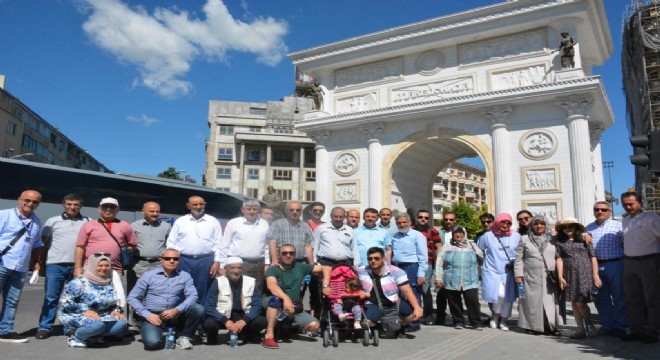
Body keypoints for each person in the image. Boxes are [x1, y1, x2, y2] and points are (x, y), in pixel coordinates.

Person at [36, 194, 90, 340]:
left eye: (76, 204)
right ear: (63, 205)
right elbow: (43, 243)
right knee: (51, 298)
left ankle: (71, 326)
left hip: (78, 267)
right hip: (55, 265)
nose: (72, 207)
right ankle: (45, 327)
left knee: (75, 299)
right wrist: (38, 263)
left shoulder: (88, 222)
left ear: (81, 206)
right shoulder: (53, 221)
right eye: (69, 204)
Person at [127, 249, 204, 350]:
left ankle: (182, 336)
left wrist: (177, 310)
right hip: (154, 315)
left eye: (175, 259)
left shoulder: (185, 276)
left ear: (179, 261)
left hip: (175, 314)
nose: (172, 261)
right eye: (167, 258)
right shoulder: (148, 276)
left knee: (198, 309)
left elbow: (193, 296)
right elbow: (132, 297)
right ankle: (153, 330)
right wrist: (147, 314)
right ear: (161, 260)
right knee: (151, 343)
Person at [0, 190, 43, 343]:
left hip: (21, 268)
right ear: (19, 199)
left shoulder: (37, 221)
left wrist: (36, 263)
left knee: (12, 301)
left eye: (35, 202)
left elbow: (37, 244)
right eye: (27, 200)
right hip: (2, 263)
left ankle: (5, 331)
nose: (30, 204)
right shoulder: (4, 215)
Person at [58, 254, 128, 348]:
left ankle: (94, 335)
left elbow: (111, 301)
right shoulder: (80, 282)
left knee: (121, 324)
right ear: (93, 265)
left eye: (107, 265)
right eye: (100, 265)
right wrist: (85, 310)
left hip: (100, 315)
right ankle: (76, 337)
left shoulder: (108, 281)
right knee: (98, 325)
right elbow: (65, 302)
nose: (103, 268)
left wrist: (114, 310)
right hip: (76, 314)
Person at [261, 244, 324, 349]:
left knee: (314, 325)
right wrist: (286, 298)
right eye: (284, 253)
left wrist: (325, 283)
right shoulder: (273, 269)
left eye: (291, 253)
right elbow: (272, 286)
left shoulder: (301, 267)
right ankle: (269, 335)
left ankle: (288, 326)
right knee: (275, 300)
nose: (288, 255)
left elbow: (326, 268)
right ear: (279, 255)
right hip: (275, 304)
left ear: (295, 255)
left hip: (294, 306)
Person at [620, 191, 660, 344]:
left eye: (631, 203)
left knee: (652, 299)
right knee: (632, 299)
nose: (628, 207)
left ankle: (652, 331)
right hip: (629, 263)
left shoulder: (652, 219)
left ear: (640, 203)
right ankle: (637, 330)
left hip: (649, 262)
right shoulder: (625, 220)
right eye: (625, 204)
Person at [167, 196, 223, 303]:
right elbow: (171, 242)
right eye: (195, 204)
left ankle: (202, 315)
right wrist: (173, 260)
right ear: (188, 206)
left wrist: (217, 262)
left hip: (206, 261)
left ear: (205, 205)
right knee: (183, 287)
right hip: (184, 260)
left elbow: (219, 243)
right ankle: (185, 314)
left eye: (201, 204)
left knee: (204, 288)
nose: (198, 207)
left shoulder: (213, 221)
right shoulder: (181, 221)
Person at [584, 201, 628, 338]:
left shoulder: (618, 226)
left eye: (603, 209)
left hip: (615, 264)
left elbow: (626, 245)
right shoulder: (588, 228)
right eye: (597, 209)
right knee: (600, 297)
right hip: (595, 266)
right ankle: (607, 325)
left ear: (609, 211)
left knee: (619, 297)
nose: (600, 212)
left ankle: (620, 325)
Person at [357, 247, 423, 336]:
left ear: (383, 259)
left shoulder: (396, 271)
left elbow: (408, 291)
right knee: (366, 322)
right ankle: (379, 326)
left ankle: (398, 326)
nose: (373, 261)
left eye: (376, 258)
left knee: (414, 315)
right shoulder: (361, 271)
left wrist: (417, 308)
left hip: (394, 302)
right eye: (370, 259)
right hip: (372, 303)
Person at [514, 215, 562, 336]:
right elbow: (519, 258)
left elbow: (570, 238)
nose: (539, 226)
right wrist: (518, 275)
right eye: (536, 224)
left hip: (549, 276)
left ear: (546, 225)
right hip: (530, 276)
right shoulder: (525, 239)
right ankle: (532, 326)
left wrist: (585, 235)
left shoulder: (553, 239)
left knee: (550, 302)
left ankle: (552, 326)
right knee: (531, 302)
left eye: (542, 224)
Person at [203, 257, 266, 345]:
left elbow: (257, 305)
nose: (236, 271)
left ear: (242, 269)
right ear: (226, 269)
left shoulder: (251, 281)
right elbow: (209, 306)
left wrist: (244, 320)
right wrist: (225, 320)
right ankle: (213, 336)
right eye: (232, 268)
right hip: (224, 316)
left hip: (243, 315)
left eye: (239, 268)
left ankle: (249, 335)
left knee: (261, 321)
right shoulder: (218, 282)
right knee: (209, 324)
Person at [555, 217, 601, 339]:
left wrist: (595, 275)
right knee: (574, 302)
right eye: (565, 227)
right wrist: (560, 276)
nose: (568, 229)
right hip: (569, 273)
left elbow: (593, 257)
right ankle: (580, 329)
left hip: (584, 272)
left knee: (581, 301)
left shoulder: (584, 239)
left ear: (576, 227)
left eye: (570, 226)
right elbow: (559, 258)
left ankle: (589, 325)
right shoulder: (560, 242)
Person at [128, 201, 171, 328]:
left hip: (158, 264)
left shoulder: (166, 226)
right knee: (136, 293)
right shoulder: (134, 226)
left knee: (156, 293)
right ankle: (133, 322)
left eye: (157, 211)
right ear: (143, 212)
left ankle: (154, 320)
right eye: (152, 211)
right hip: (139, 263)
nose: (155, 214)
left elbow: (170, 245)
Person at [477, 213, 520, 331]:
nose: (505, 225)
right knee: (498, 295)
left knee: (508, 296)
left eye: (508, 223)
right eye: (503, 222)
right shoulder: (487, 236)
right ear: (497, 222)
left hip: (509, 271)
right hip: (492, 269)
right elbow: (479, 249)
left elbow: (520, 252)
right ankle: (495, 316)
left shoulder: (516, 236)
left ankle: (504, 320)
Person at [74, 197, 138, 276]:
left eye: (112, 207)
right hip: (91, 268)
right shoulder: (88, 225)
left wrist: (122, 251)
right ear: (99, 209)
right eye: (105, 207)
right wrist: (78, 268)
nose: (108, 209)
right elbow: (80, 247)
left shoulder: (125, 225)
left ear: (118, 209)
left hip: (115, 269)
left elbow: (133, 245)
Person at [435, 227, 483, 330]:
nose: (458, 235)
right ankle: (458, 321)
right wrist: (438, 278)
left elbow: (481, 257)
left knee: (472, 301)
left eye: (461, 233)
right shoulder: (447, 246)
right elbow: (439, 262)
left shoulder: (472, 245)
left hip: (470, 279)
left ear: (465, 234)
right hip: (452, 279)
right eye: (456, 233)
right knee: (454, 302)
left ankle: (476, 323)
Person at [219, 199, 270, 290]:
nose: (252, 211)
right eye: (249, 209)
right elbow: (224, 245)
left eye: (254, 209)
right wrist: (222, 265)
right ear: (243, 210)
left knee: (257, 290)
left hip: (259, 264)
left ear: (258, 210)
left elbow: (266, 245)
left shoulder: (264, 223)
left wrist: (267, 263)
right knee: (238, 289)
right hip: (239, 263)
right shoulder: (233, 223)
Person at [390, 212, 427, 330]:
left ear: (410, 222)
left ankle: (414, 322)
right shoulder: (395, 236)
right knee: (400, 295)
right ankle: (404, 319)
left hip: (412, 267)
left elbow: (423, 256)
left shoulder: (417, 235)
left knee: (414, 293)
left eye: (404, 222)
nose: (402, 224)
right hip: (397, 267)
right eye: (399, 223)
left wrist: (421, 273)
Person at [313, 207, 359, 296]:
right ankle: (326, 309)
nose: (338, 219)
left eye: (341, 217)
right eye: (335, 216)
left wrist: (356, 265)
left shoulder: (350, 230)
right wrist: (315, 263)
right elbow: (315, 246)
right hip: (326, 263)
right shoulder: (321, 229)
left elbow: (354, 248)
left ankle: (343, 308)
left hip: (345, 264)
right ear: (331, 216)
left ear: (344, 217)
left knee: (346, 289)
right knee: (326, 289)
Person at [413, 209, 441, 325]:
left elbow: (439, 247)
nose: (423, 219)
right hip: (413, 263)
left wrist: (438, 265)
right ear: (416, 218)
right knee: (413, 289)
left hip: (427, 264)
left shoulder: (433, 231)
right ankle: (414, 313)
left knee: (425, 289)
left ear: (429, 219)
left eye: (426, 217)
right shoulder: (411, 230)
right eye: (420, 217)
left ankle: (428, 315)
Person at [435, 211, 458, 325]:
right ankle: (440, 317)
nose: (448, 221)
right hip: (442, 265)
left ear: (455, 220)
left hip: (456, 266)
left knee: (455, 294)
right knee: (441, 293)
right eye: (446, 219)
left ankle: (457, 318)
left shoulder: (461, 231)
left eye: (451, 219)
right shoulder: (439, 232)